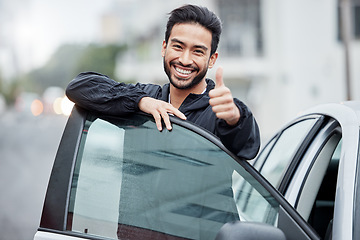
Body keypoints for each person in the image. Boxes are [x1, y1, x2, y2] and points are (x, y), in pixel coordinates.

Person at [66, 4, 260, 160]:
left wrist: (235, 118)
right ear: (164, 48)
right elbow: (79, 87)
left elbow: (247, 146)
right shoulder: (144, 97)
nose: (184, 59)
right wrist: (140, 101)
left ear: (212, 59)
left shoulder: (220, 111)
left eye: (197, 51)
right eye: (178, 46)